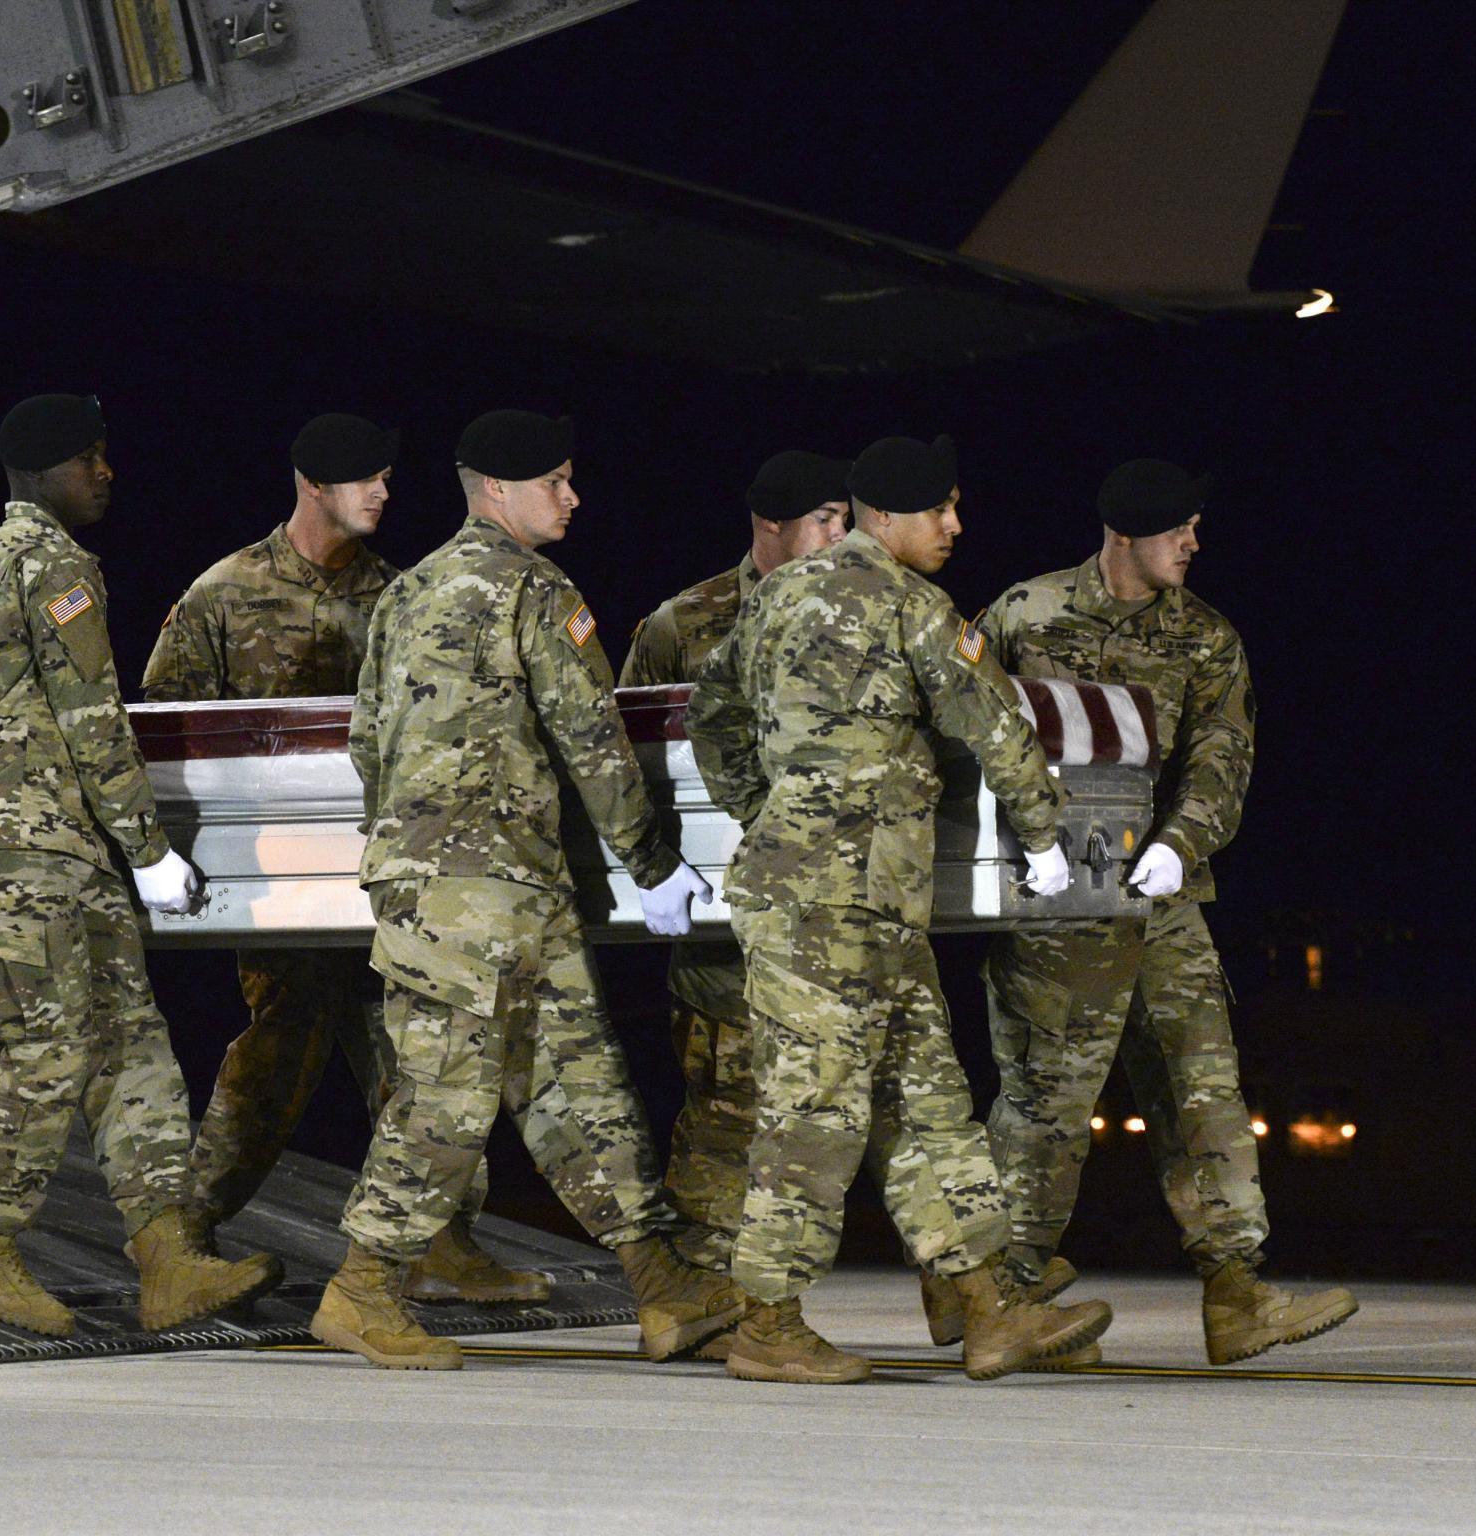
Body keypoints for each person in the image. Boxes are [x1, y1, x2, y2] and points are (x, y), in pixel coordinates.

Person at [311, 409, 741, 1371]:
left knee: (576, 1082)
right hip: (481, 887)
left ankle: (662, 1286)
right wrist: (654, 864)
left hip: (478, 883)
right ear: (498, 491)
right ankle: (363, 1288)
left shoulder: (409, 593)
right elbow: (592, 739)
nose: (573, 498)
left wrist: (407, 849)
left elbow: (367, 741)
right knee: (450, 1095)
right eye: (556, 481)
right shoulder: (534, 590)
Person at [688, 434, 1112, 1384]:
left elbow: (709, 710)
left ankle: (986, 1305)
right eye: (941, 510)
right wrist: (1044, 840)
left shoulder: (778, 597)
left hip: (855, 900)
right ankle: (766, 1319)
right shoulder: (916, 609)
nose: (955, 527)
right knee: (818, 1109)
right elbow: (996, 726)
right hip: (828, 907)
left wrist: (763, 805)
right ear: (886, 517)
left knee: (930, 1103)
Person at [141, 412, 543, 1304]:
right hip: (279, 877)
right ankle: (187, 1229)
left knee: (419, 1054)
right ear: (313, 485)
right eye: (364, 479)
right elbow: (165, 730)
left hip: (387, 864)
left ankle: (442, 1241)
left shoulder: (400, 596)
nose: (383, 493)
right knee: (282, 1048)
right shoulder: (224, 594)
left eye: (389, 477)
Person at [0, 393, 278, 1338]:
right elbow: (89, 716)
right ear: (45, 471)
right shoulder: (53, 564)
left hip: (42, 838)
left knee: (129, 1037)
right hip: (5, 841)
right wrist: (151, 853)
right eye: (91, 459)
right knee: (48, 1045)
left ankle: (165, 1257)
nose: (107, 474)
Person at [978, 457, 1357, 1364]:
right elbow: (965, 731)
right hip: (1056, 898)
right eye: (1177, 529)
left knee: (1203, 1080)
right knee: (1048, 1098)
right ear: (1125, 534)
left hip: (1160, 893)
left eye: (1196, 527)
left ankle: (1236, 1290)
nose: (1193, 543)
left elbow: (1224, 758)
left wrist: (1177, 846)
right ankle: (1005, 1296)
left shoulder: (1208, 638)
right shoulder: (1024, 616)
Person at [618, 449, 850, 1277]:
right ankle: (703, 1291)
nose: (839, 536)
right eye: (823, 520)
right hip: (722, 920)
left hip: (833, 913)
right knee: (725, 1110)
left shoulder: (858, 612)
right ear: (769, 526)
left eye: (845, 519)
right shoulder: (685, 624)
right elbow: (630, 759)